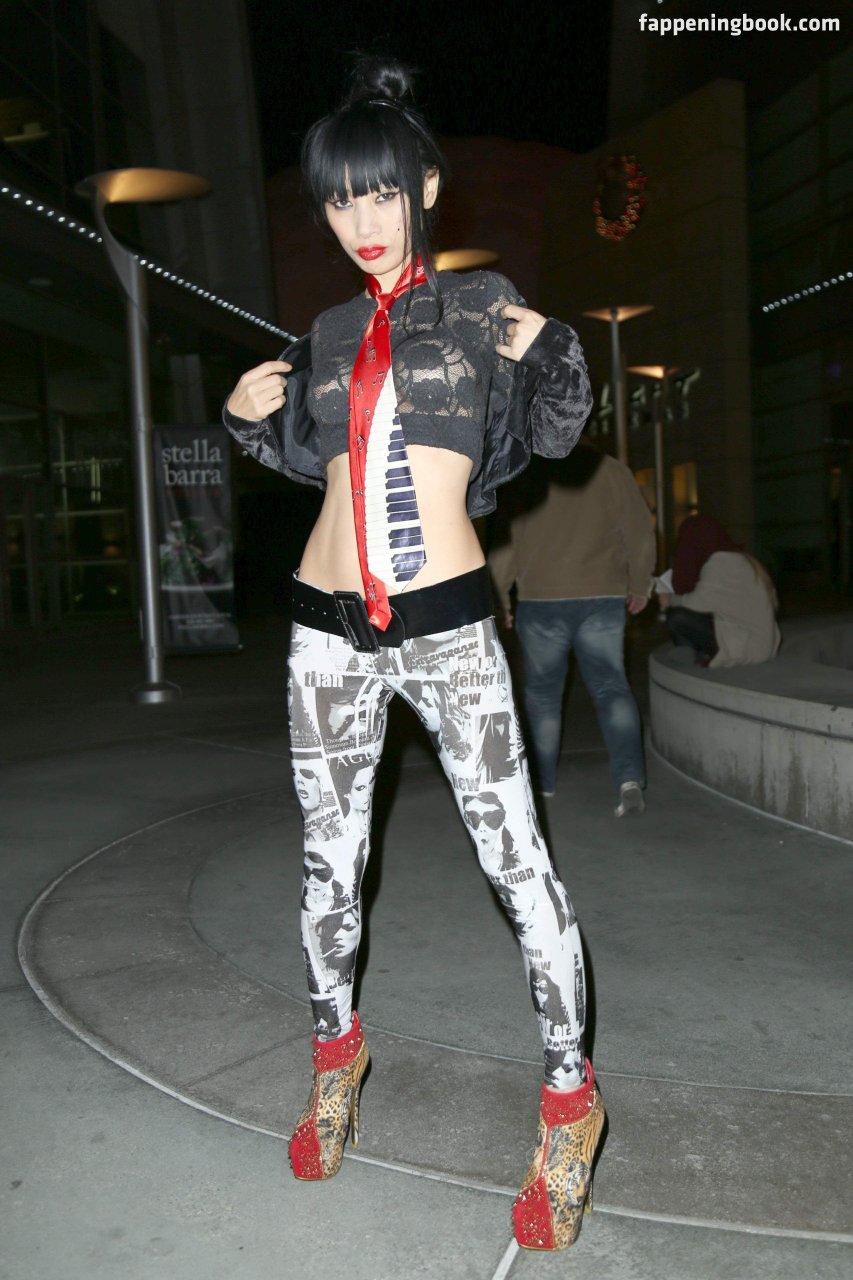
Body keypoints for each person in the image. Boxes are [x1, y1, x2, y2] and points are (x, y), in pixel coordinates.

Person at [223, 54, 602, 1251]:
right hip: (322, 629)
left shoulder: (483, 306)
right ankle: (335, 1054)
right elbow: (309, 458)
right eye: (340, 200)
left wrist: (555, 349)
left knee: (516, 859)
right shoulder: (329, 332)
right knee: (328, 867)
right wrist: (245, 419)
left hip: (443, 622)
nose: (362, 221)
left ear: (425, 187)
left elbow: (555, 431)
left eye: (381, 192)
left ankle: (570, 1101)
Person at [489, 442, 655, 816]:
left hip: (541, 600)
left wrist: (500, 600)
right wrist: (640, 583)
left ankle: (542, 785)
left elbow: (507, 542)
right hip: (602, 596)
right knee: (612, 687)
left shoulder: (522, 472)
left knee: (543, 697)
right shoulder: (610, 470)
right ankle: (629, 781)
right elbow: (638, 529)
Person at [660, 514, 781, 667]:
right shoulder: (737, 557)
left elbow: (697, 603)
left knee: (677, 617)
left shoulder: (722, 561)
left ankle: (693, 659)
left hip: (750, 647)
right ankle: (694, 656)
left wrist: (669, 599)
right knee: (681, 614)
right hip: (757, 643)